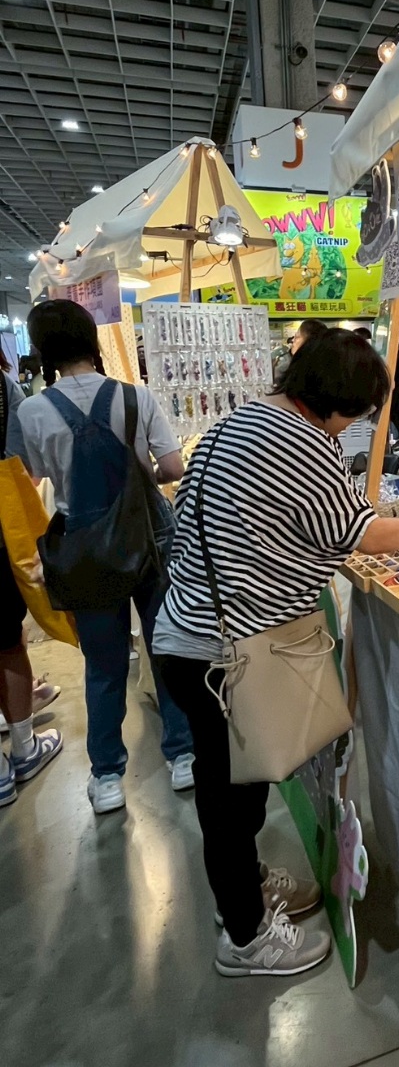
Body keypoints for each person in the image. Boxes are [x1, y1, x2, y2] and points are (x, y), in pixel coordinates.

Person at [153, 330, 399, 977]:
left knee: (236, 785)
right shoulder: (305, 444)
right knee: (231, 799)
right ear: (338, 401)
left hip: (189, 636)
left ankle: (243, 890)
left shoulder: (243, 419)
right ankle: (245, 937)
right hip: (227, 656)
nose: (356, 424)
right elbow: (364, 536)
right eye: (359, 411)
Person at [11, 300, 193, 814]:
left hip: (86, 549)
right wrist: (139, 476)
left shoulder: (32, 411)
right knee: (167, 648)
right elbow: (173, 467)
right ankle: (183, 756)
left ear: (42, 349)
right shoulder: (136, 396)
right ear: (92, 340)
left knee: (104, 666)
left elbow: (41, 476)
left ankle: (108, 777)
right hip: (151, 539)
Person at [1, 348, 63, 806]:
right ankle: (23, 749)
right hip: (0, 538)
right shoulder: (4, 391)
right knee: (7, 642)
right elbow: (22, 467)